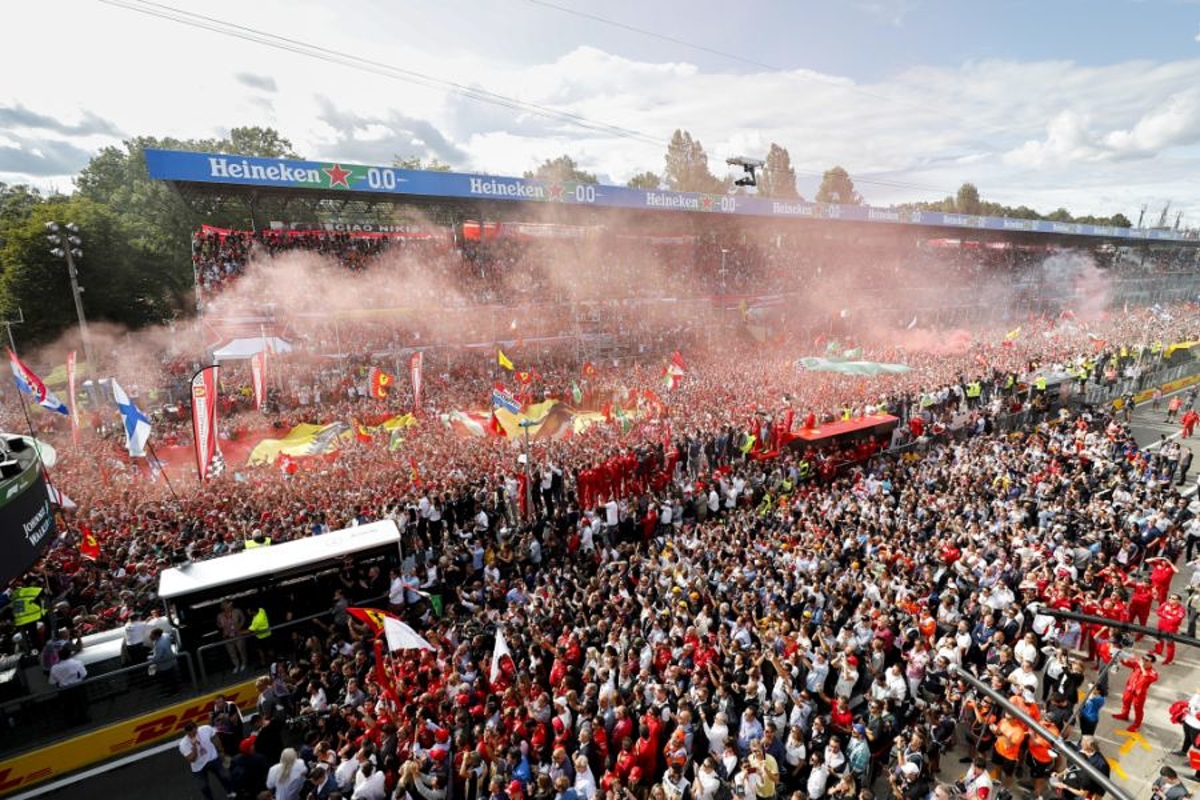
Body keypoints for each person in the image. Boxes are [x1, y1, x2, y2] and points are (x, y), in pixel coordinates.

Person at [179, 720, 233, 800]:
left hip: (212, 758)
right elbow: (192, 759)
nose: (191, 735)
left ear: (196, 728)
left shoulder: (205, 729)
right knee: (203, 787)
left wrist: (221, 751)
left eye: (193, 733)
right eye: (189, 734)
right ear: (186, 732)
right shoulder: (183, 744)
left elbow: (215, 737)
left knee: (224, 776)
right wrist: (194, 747)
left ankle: (230, 792)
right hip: (198, 766)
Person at [1113, 653, 1159, 732]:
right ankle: (1124, 714)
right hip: (1130, 689)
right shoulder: (1137, 665)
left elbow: (1146, 676)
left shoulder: (1153, 672)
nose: (1143, 661)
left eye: (1146, 660)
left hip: (1139, 694)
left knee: (1138, 709)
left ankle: (1137, 724)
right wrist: (1121, 656)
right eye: (1143, 658)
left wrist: (1141, 666)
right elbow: (1127, 663)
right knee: (1125, 701)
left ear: (1151, 663)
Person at [48, 643, 88, 725]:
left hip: (64, 690)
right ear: (69, 654)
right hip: (78, 687)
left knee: (68, 707)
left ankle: (71, 722)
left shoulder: (55, 668)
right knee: (81, 704)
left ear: (59, 656)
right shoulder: (77, 663)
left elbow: (52, 682)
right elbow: (84, 674)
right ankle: (84, 719)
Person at [217, 600, 248, 673]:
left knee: (241, 649)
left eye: (227, 605)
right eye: (224, 606)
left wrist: (239, 626)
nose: (226, 607)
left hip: (237, 634)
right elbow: (218, 624)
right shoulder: (219, 615)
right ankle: (236, 665)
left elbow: (243, 619)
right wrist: (221, 625)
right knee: (231, 652)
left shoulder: (237, 611)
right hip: (227, 636)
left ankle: (244, 663)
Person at [149, 626, 180, 695]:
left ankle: (173, 691)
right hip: (170, 659)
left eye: (152, 635)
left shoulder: (159, 645)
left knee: (169, 678)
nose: (150, 636)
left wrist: (149, 658)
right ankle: (174, 688)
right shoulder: (165, 635)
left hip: (164, 664)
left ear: (156, 635)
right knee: (172, 676)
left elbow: (157, 657)